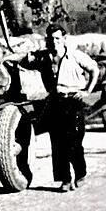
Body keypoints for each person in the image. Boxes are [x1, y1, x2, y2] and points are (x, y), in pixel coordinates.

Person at [29, 23, 99, 192]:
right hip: (55, 101)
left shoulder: (74, 56)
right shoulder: (44, 58)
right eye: (51, 39)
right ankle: (65, 180)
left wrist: (87, 91)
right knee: (58, 142)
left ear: (64, 39)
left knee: (74, 140)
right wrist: (3, 59)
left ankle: (80, 173)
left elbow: (94, 69)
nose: (54, 42)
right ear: (47, 40)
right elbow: (25, 58)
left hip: (73, 100)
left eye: (58, 38)